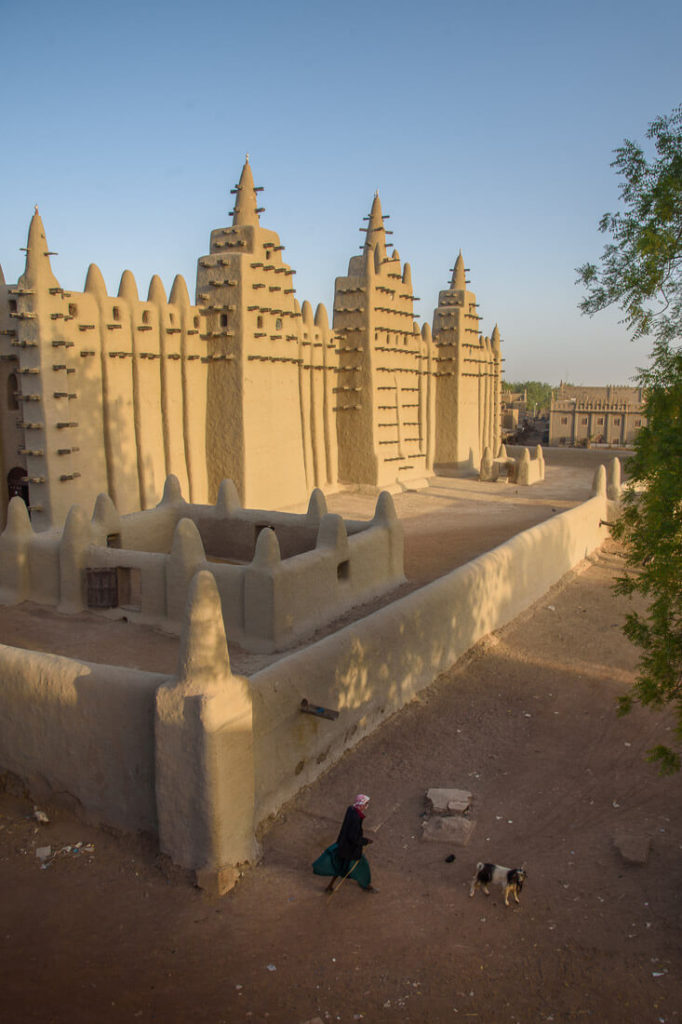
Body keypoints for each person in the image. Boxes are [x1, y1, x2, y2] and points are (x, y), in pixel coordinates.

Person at [312, 793, 377, 893]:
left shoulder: (351, 809)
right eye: (365, 804)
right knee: (361, 866)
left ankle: (329, 887)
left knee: (339, 867)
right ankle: (366, 884)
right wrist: (365, 841)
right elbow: (353, 837)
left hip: (343, 846)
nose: (366, 807)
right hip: (351, 849)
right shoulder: (356, 817)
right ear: (361, 804)